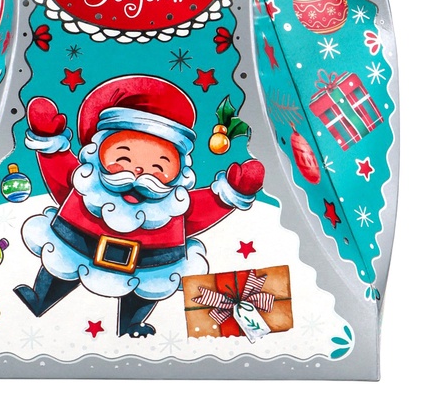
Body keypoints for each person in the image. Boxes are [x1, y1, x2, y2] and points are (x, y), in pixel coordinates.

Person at [14, 74, 265, 337]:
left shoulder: (174, 204)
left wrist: (230, 193)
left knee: (146, 291)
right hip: (76, 246)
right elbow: (61, 175)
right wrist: (49, 141)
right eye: (123, 158)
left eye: (159, 166)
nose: (138, 172)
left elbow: (201, 211)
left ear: (179, 170)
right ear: (97, 153)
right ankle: (39, 299)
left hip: (149, 265)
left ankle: (132, 326)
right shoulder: (88, 183)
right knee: (58, 267)